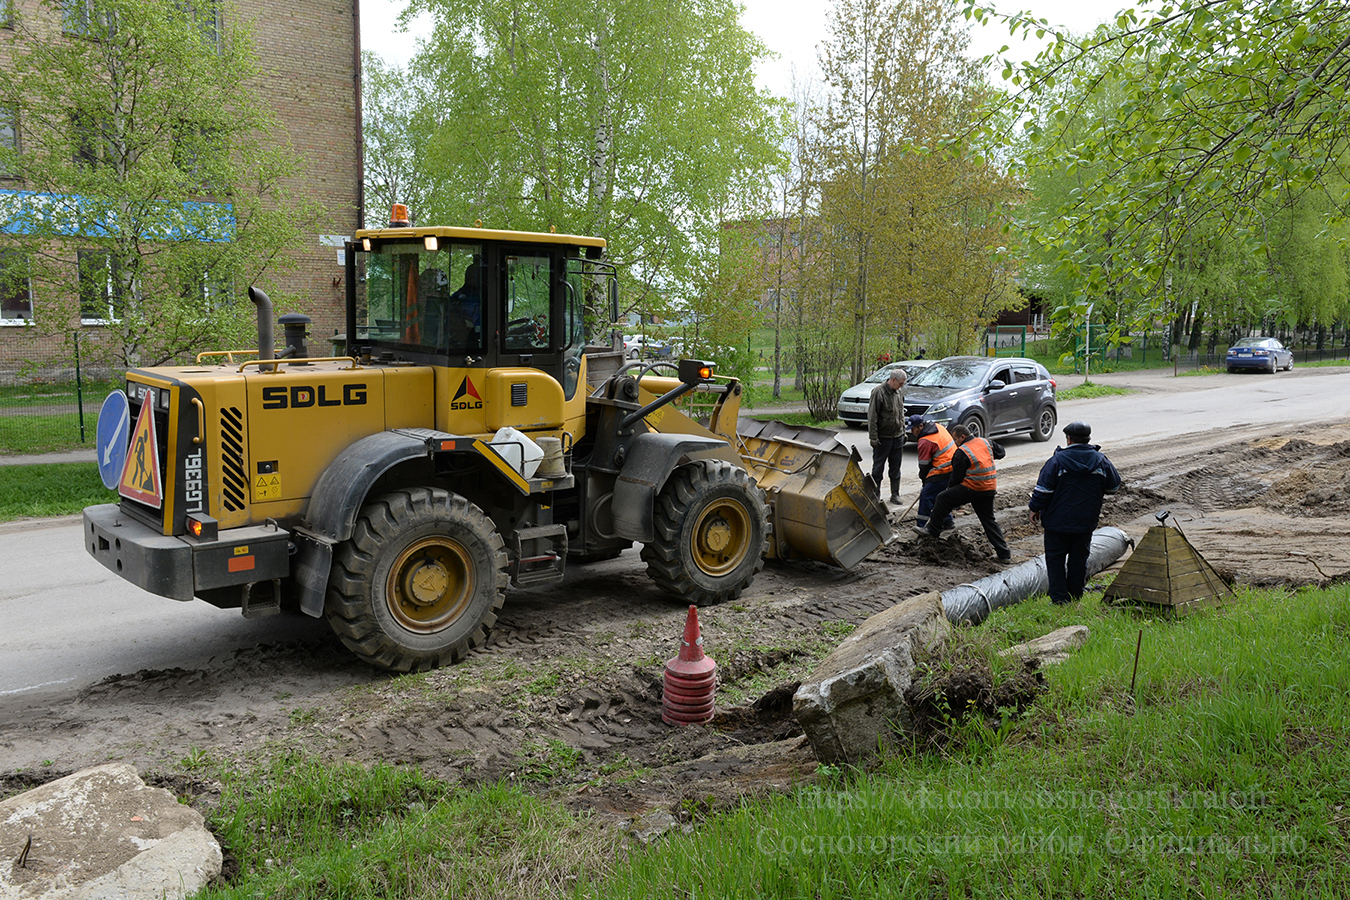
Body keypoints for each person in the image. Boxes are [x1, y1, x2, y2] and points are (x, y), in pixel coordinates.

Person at [1028, 420, 1121, 605]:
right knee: (1079, 560)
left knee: (1055, 561)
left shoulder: (1056, 461)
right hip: (1085, 522)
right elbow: (1114, 486)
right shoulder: (1101, 461)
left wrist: (1034, 508)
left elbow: (1043, 491)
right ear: (1088, 439)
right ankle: (1076, 595)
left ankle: (1059, 599)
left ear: (1068, 439)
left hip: (1056, 522)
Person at [913, 424, 1011, 563]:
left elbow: (956, 478)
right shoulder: (985, 442)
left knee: (942, 498)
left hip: (972, 488)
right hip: (989, 488)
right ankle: (1004, 554)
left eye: (956, 439)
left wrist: (950, 492)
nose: (955, 442)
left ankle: (932, 531)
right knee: (988, 520)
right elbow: (1001, 452)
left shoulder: (962, 452)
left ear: (962, 437)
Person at [907, 414, 955, 532]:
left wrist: (925, 482)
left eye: (914, 429)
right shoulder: (938, 427)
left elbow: (924, 466)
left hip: (943, 470)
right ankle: (947, 521)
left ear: (921, 426)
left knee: (926, 495)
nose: (912, 432)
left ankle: (922, 525)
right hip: (954, 466)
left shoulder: (925, 441)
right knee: (939, 496)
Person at [867, 368, 906, 503]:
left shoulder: (899, 392)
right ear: (893, 380)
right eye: (901, 383)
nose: (902, 386)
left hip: (898, 437)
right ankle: (875, 495)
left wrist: (904, 431)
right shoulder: (878, 392)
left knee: (896, 468)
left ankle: (895, 494)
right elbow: (872, 417)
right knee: (878, 469)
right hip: (883, 438)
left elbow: (901, 413)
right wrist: (873, 437)